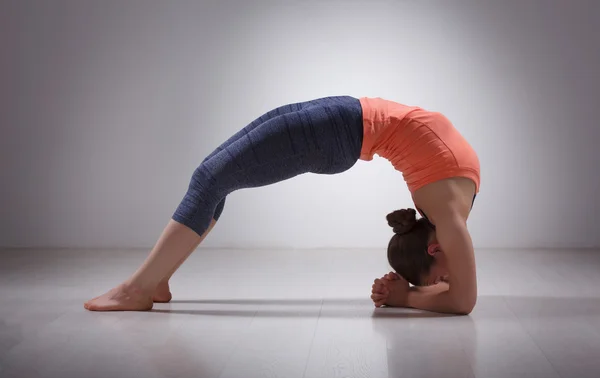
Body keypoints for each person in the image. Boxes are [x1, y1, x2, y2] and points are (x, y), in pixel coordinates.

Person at [84, 95, 480, 314]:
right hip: (335, 129)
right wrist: (406, 297)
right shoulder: (448, 216)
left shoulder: (453, 198)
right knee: (210, 178)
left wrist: (409, 294)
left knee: (211, 178)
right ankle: (148, 285)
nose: (444, 284)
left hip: (339, 119)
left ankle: (145, 285)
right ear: (434, 248)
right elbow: (463, 301)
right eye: (436, 281)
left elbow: (456, 295)